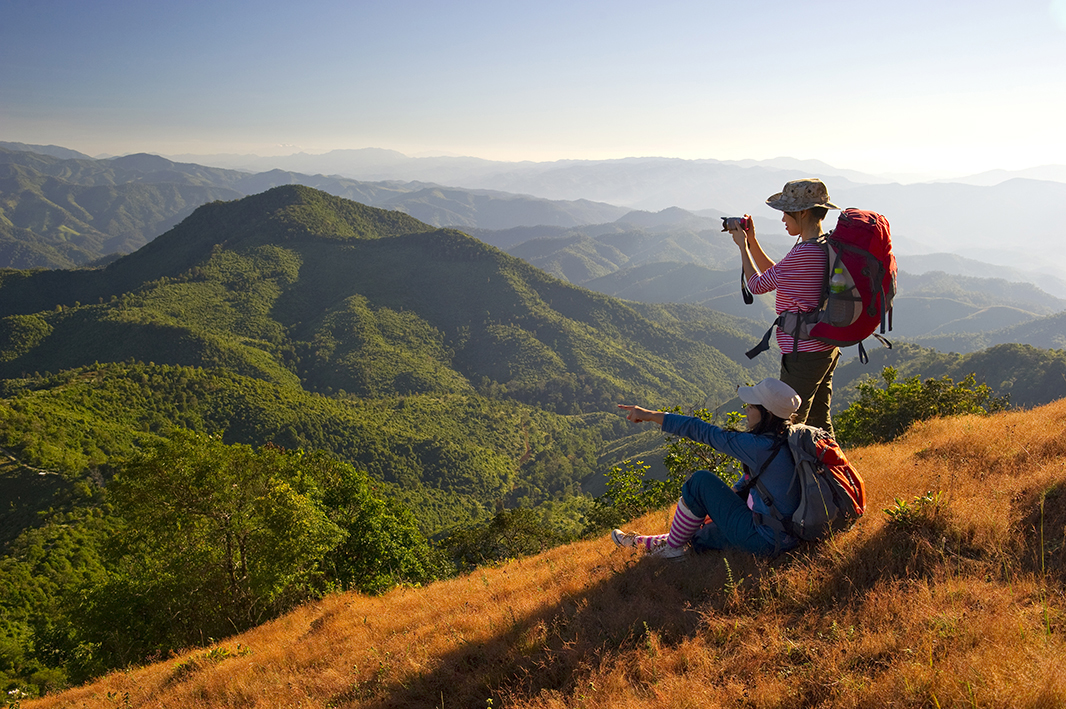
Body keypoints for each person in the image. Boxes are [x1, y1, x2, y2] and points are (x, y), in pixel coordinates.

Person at [612, 378, 803, 559]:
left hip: (765, 538)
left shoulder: (758, 446)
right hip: (786, 533)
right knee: (697, 535)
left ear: (767, 414)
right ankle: (640, 543)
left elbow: (700, 430)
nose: (746, 410)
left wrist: (648, 415)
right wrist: (728, 497)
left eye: (751, 407)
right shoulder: (787, 436)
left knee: (699, 482)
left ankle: (671, 550)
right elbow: (758, 477)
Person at [726, 178, 841, 436]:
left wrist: (742, 247)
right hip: (824, 346)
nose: (782, 220)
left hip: (804, 353)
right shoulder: (822, 246)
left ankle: (802, 473)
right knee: (820, 422)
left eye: (786, 214)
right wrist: (753, 241)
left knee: (787, 424)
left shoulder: (803, 253)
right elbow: (776, 274)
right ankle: (835, 472)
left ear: (802, 213)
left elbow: (757, 285)